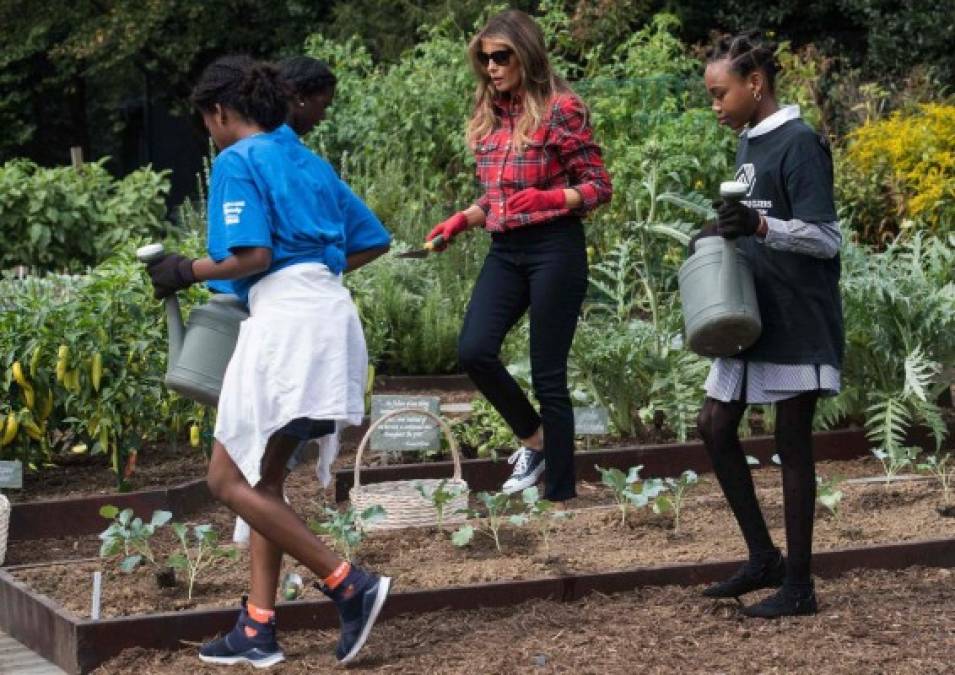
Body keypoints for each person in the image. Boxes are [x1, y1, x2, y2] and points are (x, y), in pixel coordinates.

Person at [146, 55, 392, 666]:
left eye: (208, 122)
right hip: (330, 316)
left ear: (221, 112)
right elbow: (372, 239)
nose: (211, 133)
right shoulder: (305, 159)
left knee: (224, 481)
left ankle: (348, 583)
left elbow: (250, 256)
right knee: (263, 481)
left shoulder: (237, 160)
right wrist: (313, 270)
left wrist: (184, 270)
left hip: (286, 328)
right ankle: (257, 628)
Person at [427, 9, 611, 502]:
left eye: (501, 56)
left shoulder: (561, 109)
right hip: (506, 250)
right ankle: (536, 442)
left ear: (525, 54)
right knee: (474, 349)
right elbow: (498, 196)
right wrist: (462, 219)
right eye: (484, 58)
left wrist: (552, 199)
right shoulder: (492, 114)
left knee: (548, 372)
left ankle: (561, 496)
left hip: (555, 247)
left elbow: (597, 186)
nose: (491, 67)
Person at [697, 32, 843, 618]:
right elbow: (753, 219)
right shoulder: (750, 141)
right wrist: (716, 232)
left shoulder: (800, 142)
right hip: (751, 312)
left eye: (720, 93)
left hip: (797, 313)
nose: (715, 106)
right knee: (712, 424)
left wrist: (760, 231)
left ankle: (800, 586)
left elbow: (825, 237)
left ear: (754, 85)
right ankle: (764, 558)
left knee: (791, 442)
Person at [279, 55, 337, 136]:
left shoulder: (257, 137)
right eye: (324, 105)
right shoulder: (289, 148)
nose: (323, 117)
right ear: (300, 98)